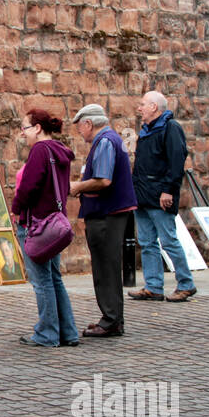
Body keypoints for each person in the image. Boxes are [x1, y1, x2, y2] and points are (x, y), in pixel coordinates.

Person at [11, 108, 80, 349]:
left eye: (25, 128)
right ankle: (68, 331)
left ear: (38, 128)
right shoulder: (60, 151)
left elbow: (29, 186)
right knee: (54, 278)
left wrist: (16, 208)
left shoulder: (40, 150)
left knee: (42, 281)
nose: (23, 134)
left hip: (37, 223)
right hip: (54, 222)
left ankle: (48, 333)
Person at [69, 104, 137, 337]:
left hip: (106, 213)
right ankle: (111, 317)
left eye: (80, 127)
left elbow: (103, 180)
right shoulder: (110, 140)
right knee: (106, 265)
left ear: (88, 123)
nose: (80, 132)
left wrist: (77, 186)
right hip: (109, 212)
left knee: (105, 267)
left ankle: (111, 320)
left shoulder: (105, 141)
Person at [129, 91, 197, 303]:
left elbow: (177, 161)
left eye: (143, 105)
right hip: (143, 194)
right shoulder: (148, 130)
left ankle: (186, 283)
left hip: (159, 195)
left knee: (169, 241)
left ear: (154, 107)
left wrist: (168, 190)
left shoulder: (170, 128)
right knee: (147, 242)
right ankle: (153, 286)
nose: (139, 109)